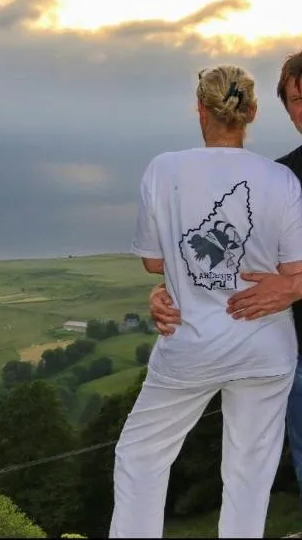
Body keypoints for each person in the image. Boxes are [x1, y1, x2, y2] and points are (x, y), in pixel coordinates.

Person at [109, 65, 302, 538]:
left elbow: (155, 262)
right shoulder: (282, 178)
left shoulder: (164, 168)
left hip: (191, 342)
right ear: (253, 111)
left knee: (141, 455)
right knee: (250, 471)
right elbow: (294, 273)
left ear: (199, 108)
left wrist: (177, 279)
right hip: (268, 347)